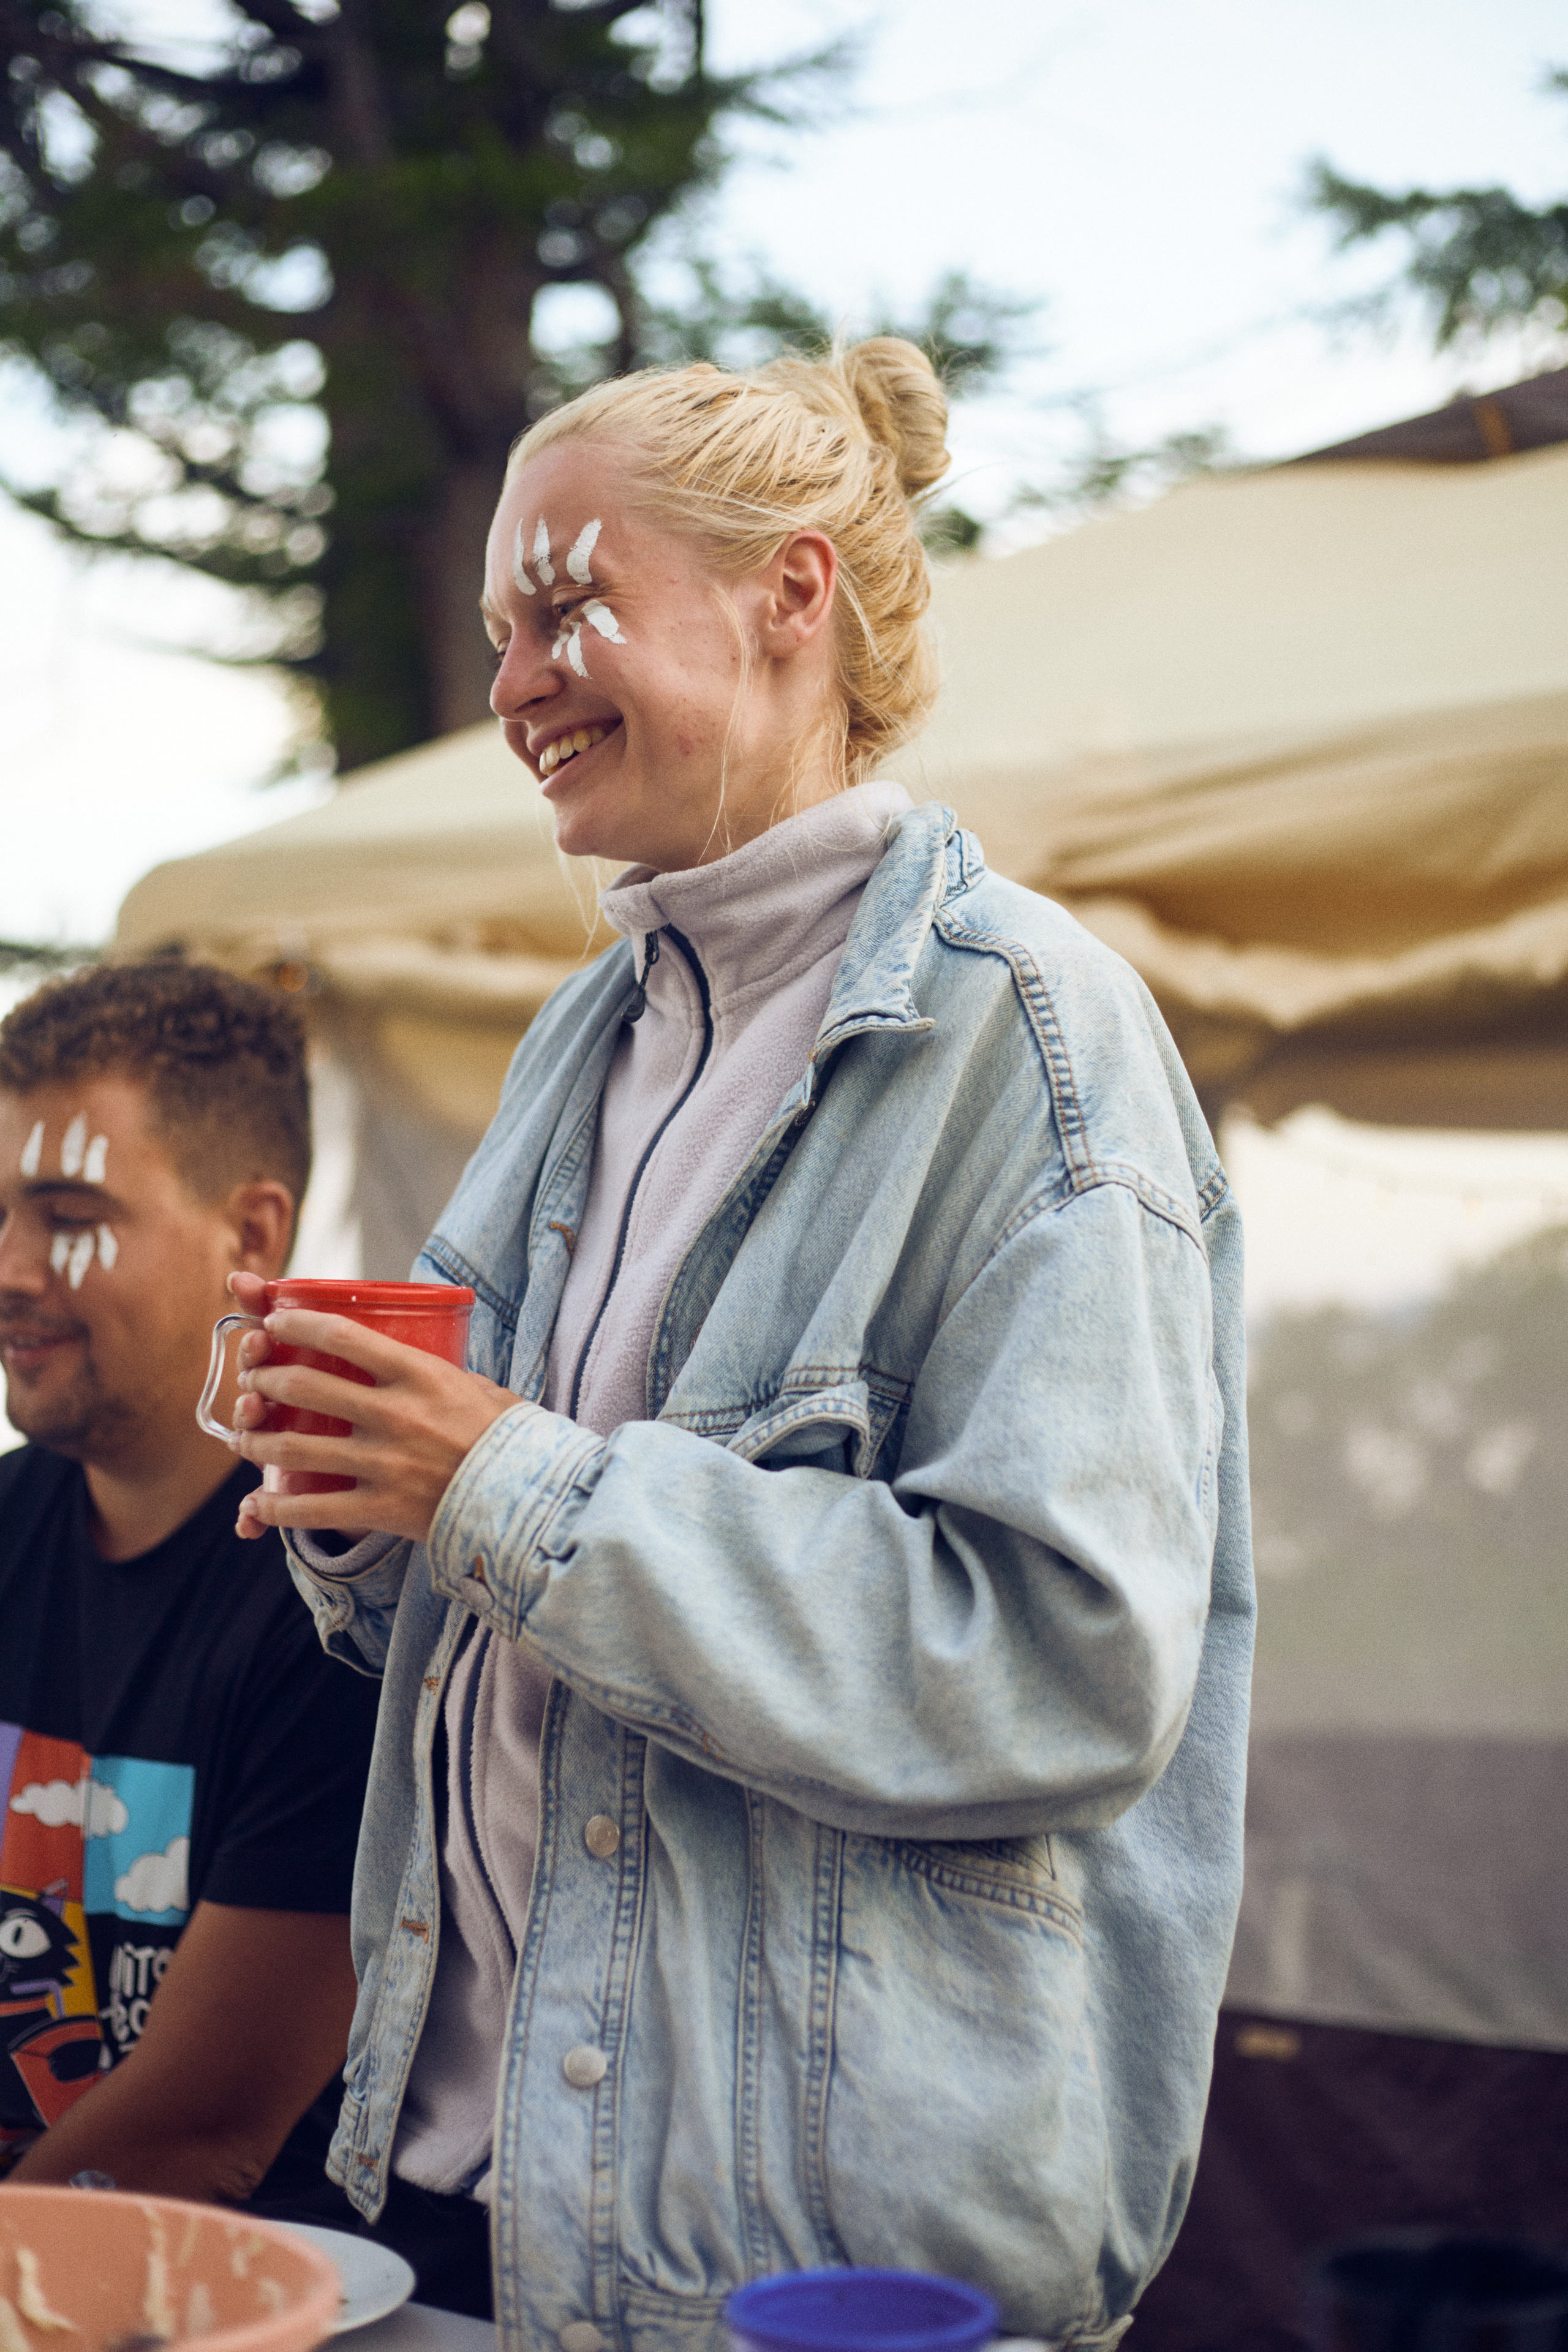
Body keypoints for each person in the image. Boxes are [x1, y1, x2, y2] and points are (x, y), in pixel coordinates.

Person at [230, 338, 1255, 2348]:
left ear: (793, 594)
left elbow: (1063, 1665)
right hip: (461, 2194)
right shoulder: (587, 1038)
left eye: (565, 607)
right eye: (499, 634)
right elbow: (475, 1589)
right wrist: (355, 1485)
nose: (515, 683)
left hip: (808, 2273)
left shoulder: (1036, 1039)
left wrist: (499, 1479)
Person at [0, 962, 380, 2216]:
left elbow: (196, 2135)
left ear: (251, 1238)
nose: (10, 1267)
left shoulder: (347, 1595)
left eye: (66, 1214)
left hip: (242, 2289)